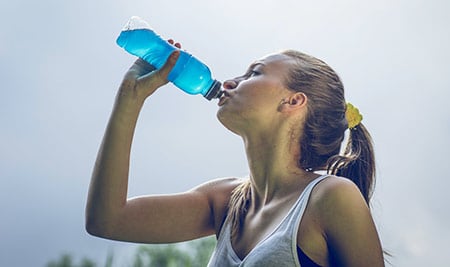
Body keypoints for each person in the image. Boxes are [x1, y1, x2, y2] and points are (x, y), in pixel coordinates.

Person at [86, 42, 385, 266]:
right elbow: (107, 219)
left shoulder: (331, 197)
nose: (229, 82)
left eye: (254, 73)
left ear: (293, 101)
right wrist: (130, 96)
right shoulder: (226, 202)